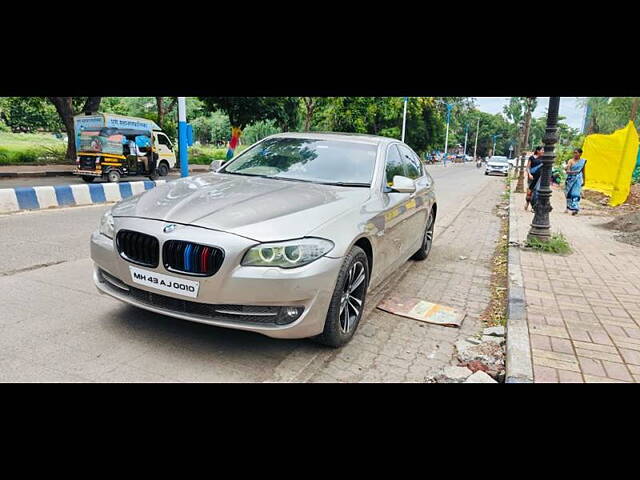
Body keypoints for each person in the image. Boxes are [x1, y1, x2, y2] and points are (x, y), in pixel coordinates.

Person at [565, 148, 587, 215]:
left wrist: (584, 180)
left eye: (576, 153)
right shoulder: (570, 161)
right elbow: (567, 171)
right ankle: (569, 206)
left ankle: (575, 208)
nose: (575, 154)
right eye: (574, 152)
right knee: (569, 194)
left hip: (578, 179)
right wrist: (575, 172)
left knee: (575, 194)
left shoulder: (582, 161)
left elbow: (583, 171)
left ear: (580, 154)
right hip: (571, 179)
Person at [525, 146, 544, 211]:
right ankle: (527, 202)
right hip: (531, 177)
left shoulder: (543, 158)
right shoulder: (531, 158)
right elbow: (527, 168)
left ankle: (533, 207)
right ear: (538, 151)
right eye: (542, 150)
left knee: (536, 192)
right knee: (529, 192)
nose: (543, 152)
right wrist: (529, 174)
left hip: (539, 178)